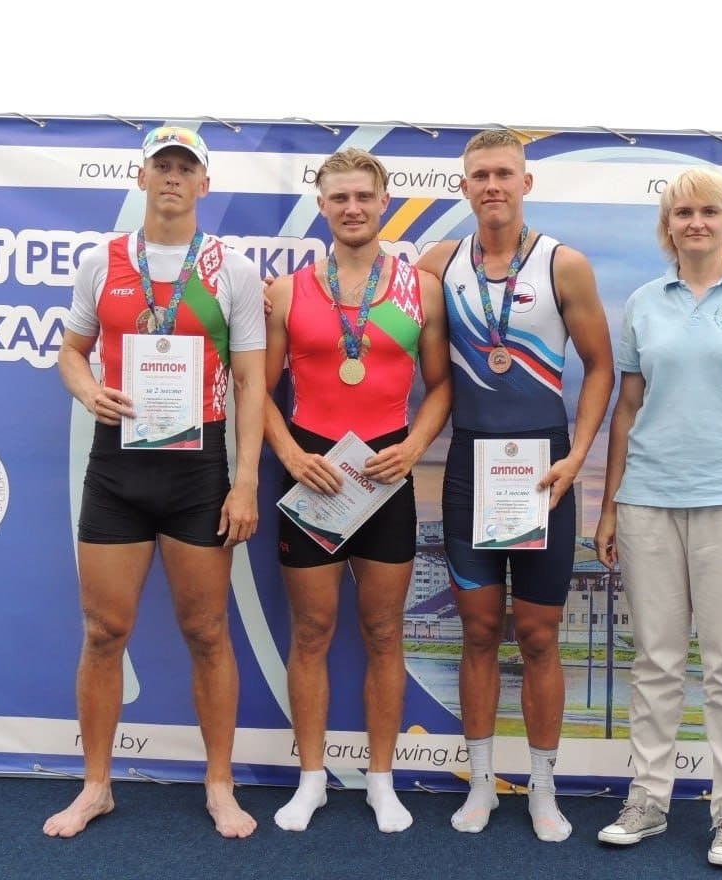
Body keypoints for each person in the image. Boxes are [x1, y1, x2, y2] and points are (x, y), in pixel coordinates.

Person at [44, 125, 267, 839]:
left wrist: (246, 483)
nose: (173, 177)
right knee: (104, 630)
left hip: (198, 467)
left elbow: (251, 380)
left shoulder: (231, 269)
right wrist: (87, 391)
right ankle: (96, 786)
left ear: (205, 184)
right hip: (118, 464)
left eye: (186, 168)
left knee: (206, 630)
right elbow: (72, 352)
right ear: (141, 178)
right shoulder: (100, 262)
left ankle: (221, 785)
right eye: (162, 166)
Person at [593, 167, 722, 868]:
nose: (696, 222)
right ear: (667, 226)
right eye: (682, 211)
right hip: (649, 499)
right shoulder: (644, 303)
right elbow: (626, 409)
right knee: (654, 659)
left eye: (709, 211)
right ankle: (648, 800)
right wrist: (610, 504)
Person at [417, 130, 615, 842]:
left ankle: (542, 788)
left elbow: (600, 369)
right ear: (463, 187)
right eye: (479, 175)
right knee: (476, 630)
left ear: (526, 183)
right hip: (471, 469)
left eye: (504, 173)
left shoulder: (564, 264)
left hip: (545, 473)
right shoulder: (438, 265)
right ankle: (479, 785)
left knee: (537, 635)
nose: (492, 184)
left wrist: (578, 457)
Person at [264, 148, 451, 833]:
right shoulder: (287, 291)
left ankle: (381, 780)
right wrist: (288, 453)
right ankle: (311, 779)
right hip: (312, 469)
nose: (351, 208)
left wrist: (414, 447)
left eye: (363, 197)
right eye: (338, 197)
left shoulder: (419, 290)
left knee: (382, 633)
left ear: (382, 202)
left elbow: (442, 387)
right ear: (321, 205)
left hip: (385, 474)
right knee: (311, 632)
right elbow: (261, 388)